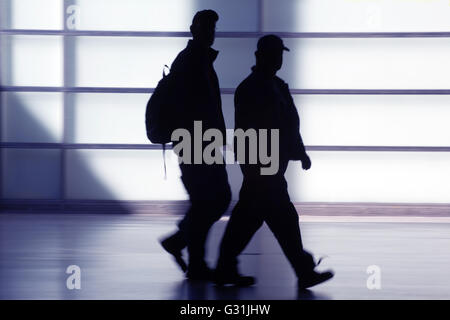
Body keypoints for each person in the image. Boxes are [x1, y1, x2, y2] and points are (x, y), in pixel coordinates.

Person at [214, 35, 334, 289]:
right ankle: (303, 271)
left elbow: (289, 124)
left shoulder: (275, 85)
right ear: (261, 56)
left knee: (250, 217)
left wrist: (299, 152)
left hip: (268, 166)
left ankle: (225, 267)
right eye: (275, 54)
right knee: (282, 218)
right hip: (263, 167)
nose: (279, 59)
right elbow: (249, 130)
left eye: (281, 54)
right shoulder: (253, 88)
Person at [159, 10, 231, 281]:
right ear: (193, 29)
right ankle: (193, 258)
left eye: (213, 28)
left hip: (201, 143)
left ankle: (183, 246)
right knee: (212, 199)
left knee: (210, 200)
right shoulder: (191, 61)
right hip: (195, 144)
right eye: (206, 27)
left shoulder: (198, 60)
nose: (210, 33)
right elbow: (190, 107)